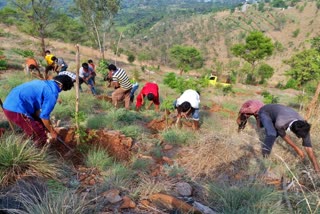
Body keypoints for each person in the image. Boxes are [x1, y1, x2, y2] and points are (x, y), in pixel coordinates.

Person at [2, 75, 74, 147]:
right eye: (63, 89)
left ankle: (35, 139)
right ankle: (39, 153)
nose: (60, 91)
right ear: (61, 85)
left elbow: (37, 110)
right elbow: (44, 116)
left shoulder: (43, 83)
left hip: (10, 103)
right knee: (39, 135)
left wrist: (46, 126)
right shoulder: (52, 92)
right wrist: (52, 132)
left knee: (40, 125)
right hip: (15, 109)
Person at [258, 104, 320, 172]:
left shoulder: (303, 125)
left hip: (280, 112)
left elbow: (308, 147)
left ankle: (265, 124)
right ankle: (265, 156)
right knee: (272, 134)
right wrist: (297, 148)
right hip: (265, 111)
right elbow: (284, 136)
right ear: (294, 132)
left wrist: (316, 167)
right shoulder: (280, 123)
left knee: (276, 132)